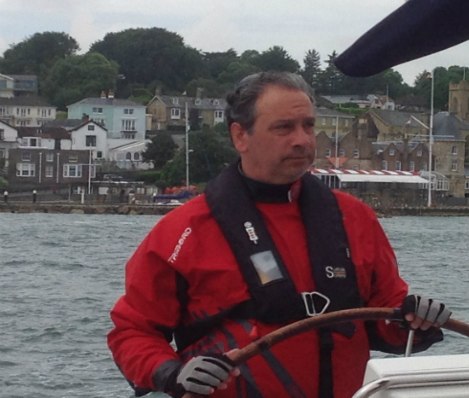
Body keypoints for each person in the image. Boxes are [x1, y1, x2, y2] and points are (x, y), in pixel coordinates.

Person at [107, 72, 451, 398]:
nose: (302, 140)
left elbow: (386, 316)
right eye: (284, 128)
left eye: (308, 125)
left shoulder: (356, 218)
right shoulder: (182, 231)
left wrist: (415, 318)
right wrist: (170, 372)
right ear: (240, 136)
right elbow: (132, 331)